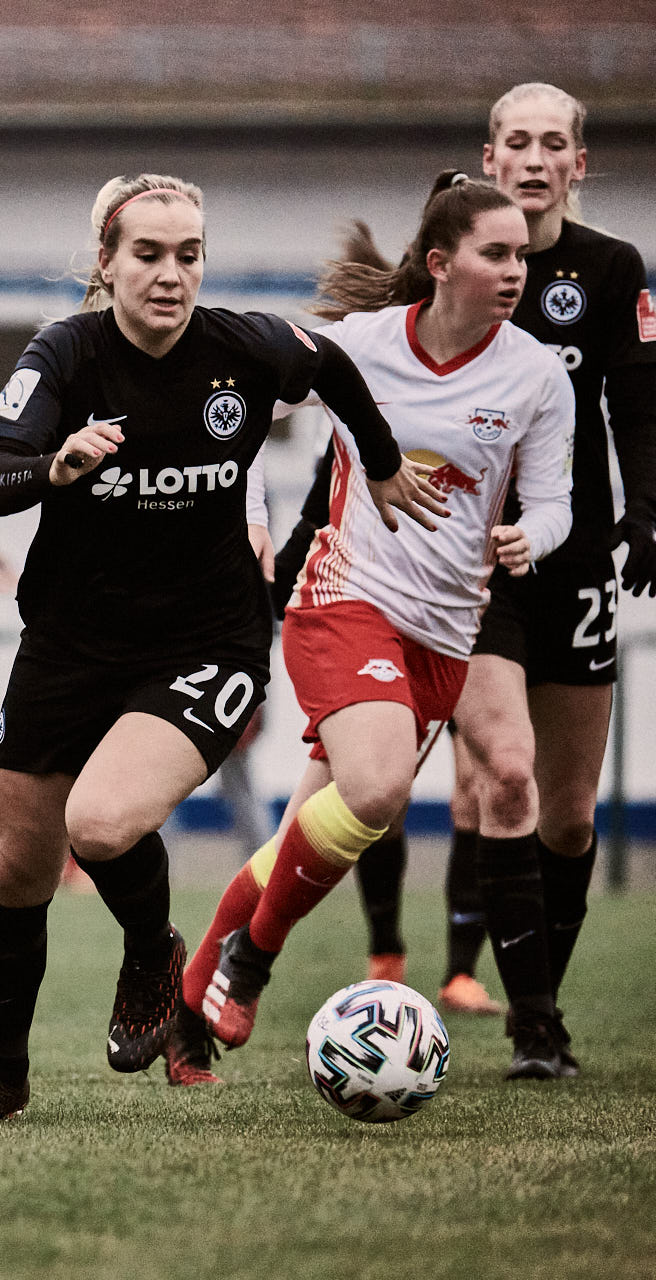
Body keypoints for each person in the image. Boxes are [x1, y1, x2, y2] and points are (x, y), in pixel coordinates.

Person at [0, 174, 438, 1122]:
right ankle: (1, 1075)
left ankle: (151, 951)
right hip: (71, 641)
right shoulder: (67, 354)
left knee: (104, 822)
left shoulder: (242, 347)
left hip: (207, 639)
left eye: (189, 255)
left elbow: (328, 364)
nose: (171, 275)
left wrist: (378, 460)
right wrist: (56, 464)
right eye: (150, 255)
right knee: (12, 871)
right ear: (108, 265)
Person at [170, 173, 576, 1084]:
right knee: (380, 788)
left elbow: (555, 502)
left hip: (447, 634)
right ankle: (253, 961)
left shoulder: (535, 375)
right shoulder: (355, 346)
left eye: (522, 255)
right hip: (344, 602)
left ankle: (191, 997)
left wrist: (527, 537)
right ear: (440, 264)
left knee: (326, 826)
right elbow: (230, 423)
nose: (518, 271)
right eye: (496, 254)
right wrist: (254, 519)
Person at [448, 83, 656, 1079]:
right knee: (507, 774)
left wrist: (647, 509)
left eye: (553, 144)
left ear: (580, 163)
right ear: (490, 157)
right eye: (516, 142)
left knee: (569, 812)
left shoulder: (612, 269)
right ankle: (533, 1020)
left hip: (573, 558)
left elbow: (637, 401)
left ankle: (542, 1001)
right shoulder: (450, 262)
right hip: (476, 561)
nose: (534, 158)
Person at [272, 443, 505, 1017]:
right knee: (382, 791)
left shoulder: (509, 393)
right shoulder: (376, 389)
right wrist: (287, 559)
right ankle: (386, 954)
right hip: (383, 613)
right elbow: (329, 482)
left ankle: (460, 973)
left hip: (467, 613)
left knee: (481, 784)